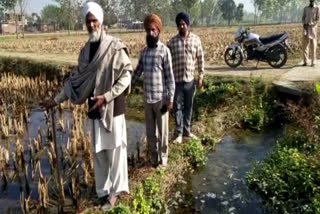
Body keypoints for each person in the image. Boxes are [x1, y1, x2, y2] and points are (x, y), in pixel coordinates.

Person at [40, 2, 132, 210]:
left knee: (115, 151)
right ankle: (102, 191)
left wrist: (107, 96)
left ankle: (116, 193)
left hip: (112, 108)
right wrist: (54, 100)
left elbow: (126, 77)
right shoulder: (84, 52)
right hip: (94, 109)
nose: (91, 25)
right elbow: (75, 82)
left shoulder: (115, 47)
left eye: (94, 21)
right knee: (99, 152)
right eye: (88, 21)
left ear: (101, 21)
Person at [132, 14, 175, 168]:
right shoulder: (144, 52)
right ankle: (153, 159)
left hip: (161, 99)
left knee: (163, 133)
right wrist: (126, 85)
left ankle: (163, 161)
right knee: (150, 133)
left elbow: (170, 77)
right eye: (148, 30)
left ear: (158, 31)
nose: (150, 33)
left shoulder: (164, 51)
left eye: (153, 30)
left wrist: (170, 99)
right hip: (147, 99)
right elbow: (137, 72)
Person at [168, 12, 204, 144]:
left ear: (188, 24)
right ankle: (178, 133)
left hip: (190, 80)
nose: (182, 26)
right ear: (177, 26)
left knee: (188, 106)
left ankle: (187, 131)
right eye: (179, 24)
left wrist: (200, 76)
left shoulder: (196, 40)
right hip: (176, 81)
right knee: (177, 108)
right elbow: (167, 62)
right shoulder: (172, 42)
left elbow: (200, 59)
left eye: (183, 24)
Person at [302, 0, 319, 66]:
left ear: (314, 1)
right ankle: (305, 61)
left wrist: (312, 23)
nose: (312, 2)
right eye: (311, 1)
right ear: (309, 1)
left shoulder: (317, 8)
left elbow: (318, 19)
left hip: (313, 28)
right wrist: (304, 24)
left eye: (313, 1)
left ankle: (313, 62)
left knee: (313, 45)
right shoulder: (305, 8)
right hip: (306, 28)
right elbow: (303, 18)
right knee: (305, 45)